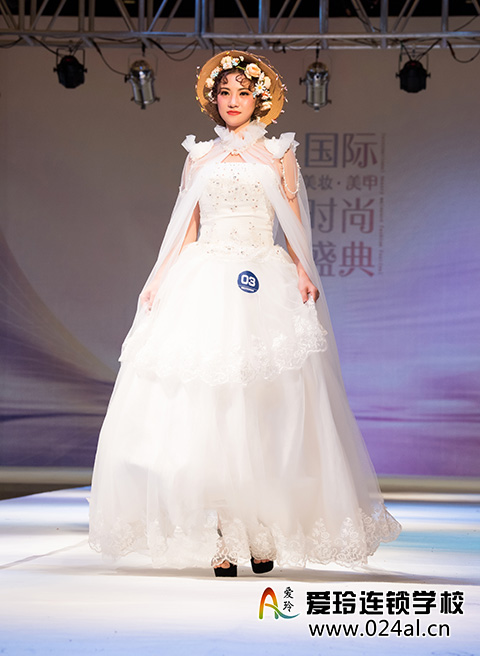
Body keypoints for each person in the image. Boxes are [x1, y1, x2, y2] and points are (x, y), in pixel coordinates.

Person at [88, 50, 401, 577]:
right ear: (213, 100)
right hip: (205, 278)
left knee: (263, 407)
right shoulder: (198, 156)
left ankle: (259, 527)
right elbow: (186, 223)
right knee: (207, 407)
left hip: (261, 279)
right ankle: (220, 534)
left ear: (260, 99)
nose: (232, 101)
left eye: (242, 92)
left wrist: (303, 270)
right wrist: (160, 276)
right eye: (224, 93)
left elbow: (293, 218)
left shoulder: (279, 153)